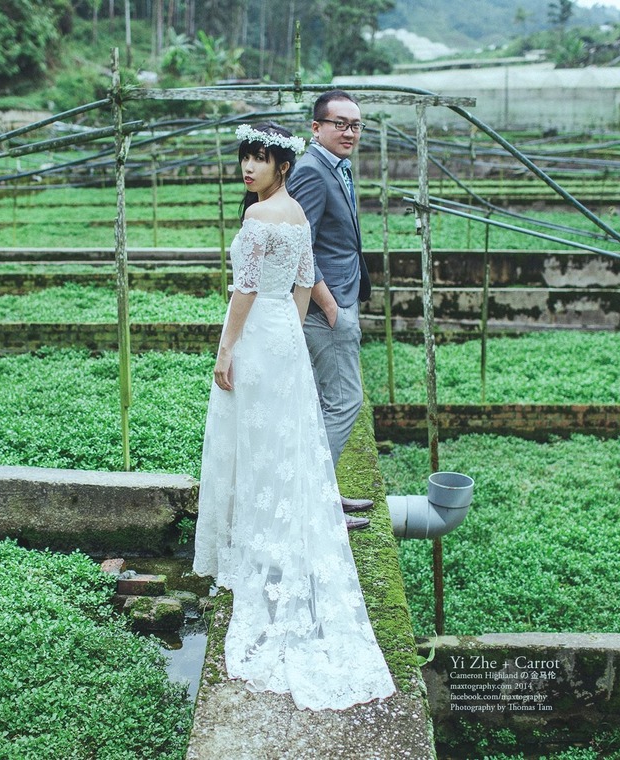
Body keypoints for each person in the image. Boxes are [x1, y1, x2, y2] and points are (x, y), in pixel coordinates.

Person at [192, 122, 395, 712]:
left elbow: (244, 291)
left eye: (260, 159)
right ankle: (274, 537)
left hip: (258, 335)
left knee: (256, 441)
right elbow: (303, 286)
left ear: (282, 165)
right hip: (284, 333)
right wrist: (289, 337)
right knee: (284, 441)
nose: (249, 167)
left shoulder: (259, 220)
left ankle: (258, 542)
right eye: (245, 159)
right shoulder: (298, 219)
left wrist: (227, 348)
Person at [287, 90, 375, 530]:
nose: (350, 132)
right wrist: (329, 304)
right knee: (344, 402)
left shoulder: (333, 166)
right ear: (316, 128)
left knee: (329, 402)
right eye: (340, 123)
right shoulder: (312, 171)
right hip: (327, 306)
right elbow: (300, 247)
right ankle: (312, 504)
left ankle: (324, 492)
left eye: (356, 125)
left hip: (341, 294)